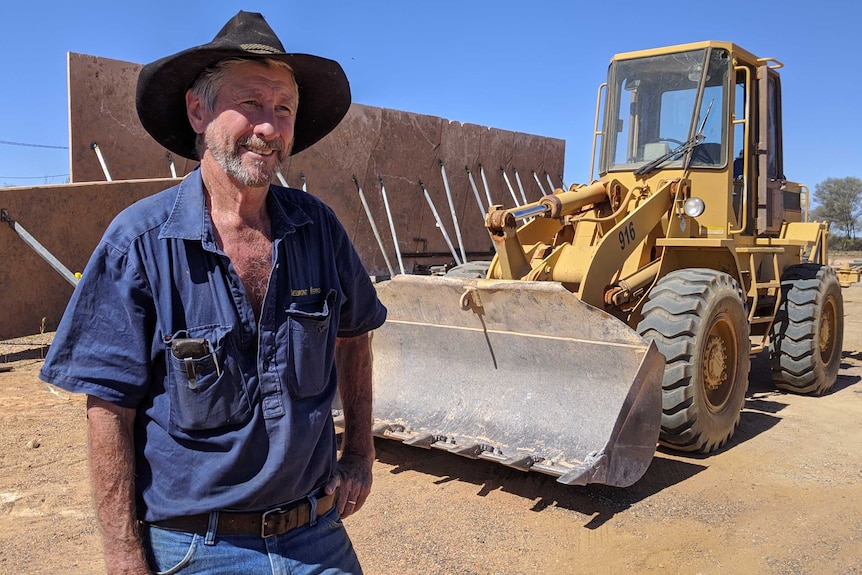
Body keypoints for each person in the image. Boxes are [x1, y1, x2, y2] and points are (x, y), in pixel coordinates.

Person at [39, 11, 386, 575]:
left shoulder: (317, 228)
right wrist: (124, 554)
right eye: (250, 104)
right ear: (198, 112)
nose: (268, 128)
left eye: (283, 109)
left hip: (315, 535)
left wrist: (361, 456)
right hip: (194, 547)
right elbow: (108, 407)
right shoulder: (140, 243)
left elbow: (354, 337)